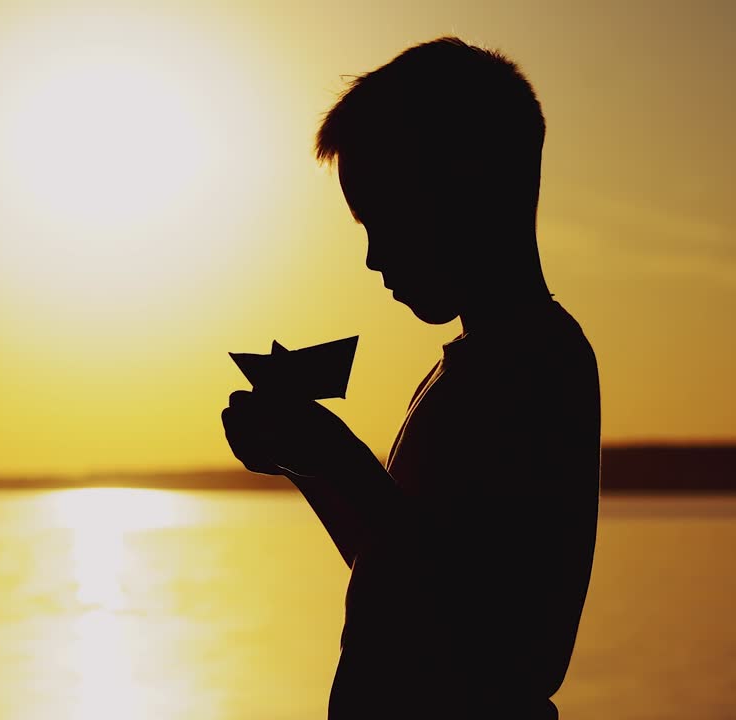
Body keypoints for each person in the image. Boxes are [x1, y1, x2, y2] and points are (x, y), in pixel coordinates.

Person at [221, 37, 600, 719]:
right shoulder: (465, 368)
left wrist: (342, 458)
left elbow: (521, 647)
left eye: (382, 218)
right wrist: (305, 465)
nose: (371, 258)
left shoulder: (542, 363)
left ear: (464, 186)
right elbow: (395, 572)